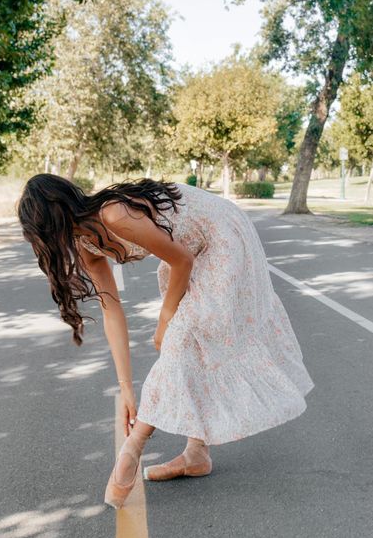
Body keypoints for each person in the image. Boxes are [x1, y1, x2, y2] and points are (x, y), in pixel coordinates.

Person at [17, 174, 315, 509]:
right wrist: (125, 386)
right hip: (191, 248)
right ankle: (196, 454)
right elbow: (112, 311)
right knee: (193, 337)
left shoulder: (113, 214)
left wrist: (164, 319)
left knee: (182, 335)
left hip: (220, 235)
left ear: (56, 214)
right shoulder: (86, 244)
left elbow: (181, 259)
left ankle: (133, 447)